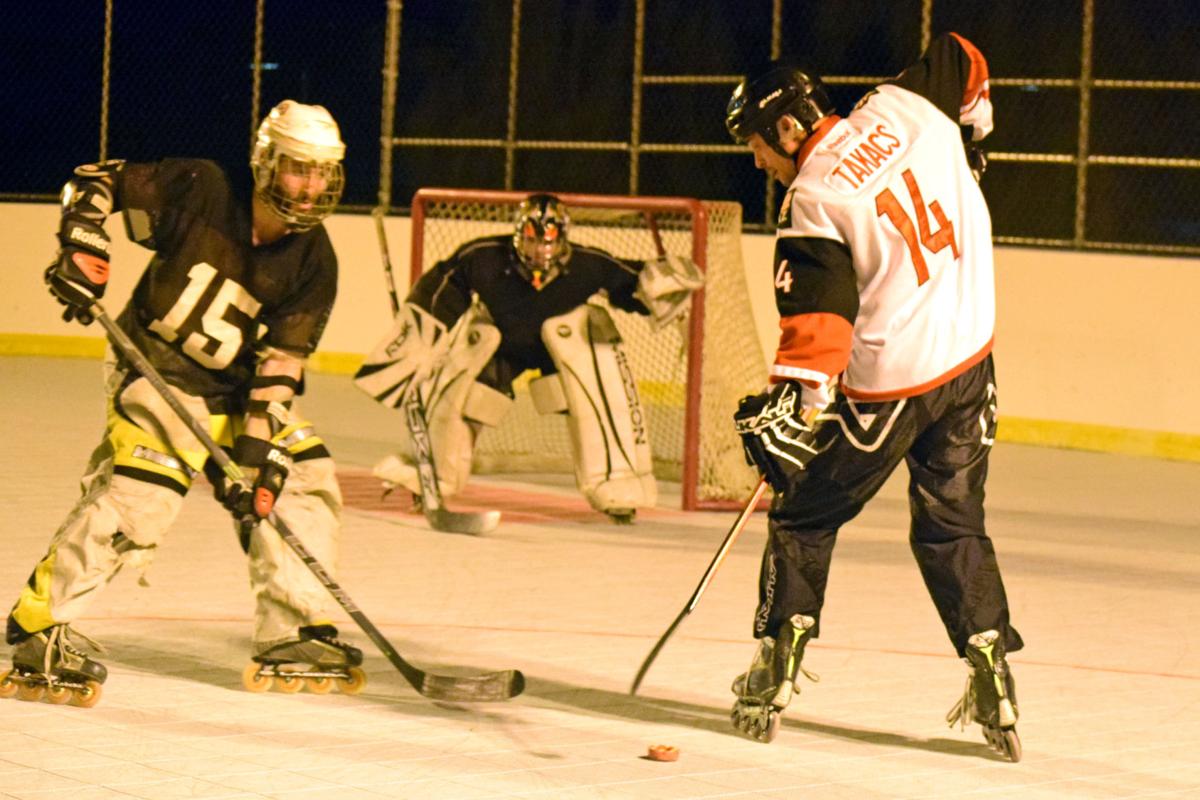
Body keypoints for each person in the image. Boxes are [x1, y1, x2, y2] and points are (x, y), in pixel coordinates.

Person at [0, 100, 363, 707]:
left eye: (324, 172)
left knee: (301, 477)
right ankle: (40, 625)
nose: (312, 185)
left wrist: (255, 449)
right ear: (265, 163)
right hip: (156, 369)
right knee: (144, 497)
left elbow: (280, 365)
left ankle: (291, 630)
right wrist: (81, 241)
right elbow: (98, 181)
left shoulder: (316, 260)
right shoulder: (204, 190)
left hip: (236, 392)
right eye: (299, 168)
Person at [723, 33, 1024, 760]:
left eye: (757, 144)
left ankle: (776, 664)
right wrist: (972, 129)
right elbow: (963, 51)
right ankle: (992, 672)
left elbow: (820, 325)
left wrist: (793, 407)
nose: (757, 159)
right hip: (969, 363)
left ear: (788, 126)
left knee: (801, 515)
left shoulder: (814, 196)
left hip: (890, 387)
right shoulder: (905, 104)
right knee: (952, 524)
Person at [354, 194, 703, 524]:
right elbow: (444, 286)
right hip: (502, 345)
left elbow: (629, 281)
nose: (539, 251)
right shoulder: (484, 257)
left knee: (599, 401)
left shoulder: (586, 265)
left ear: (563, 239)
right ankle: (431, 475)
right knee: (460, 398)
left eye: (547, 242)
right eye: (533, 241)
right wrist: (418, 340)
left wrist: (660, 285)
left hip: (564, 351)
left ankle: (618, 486)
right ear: (519, 237)